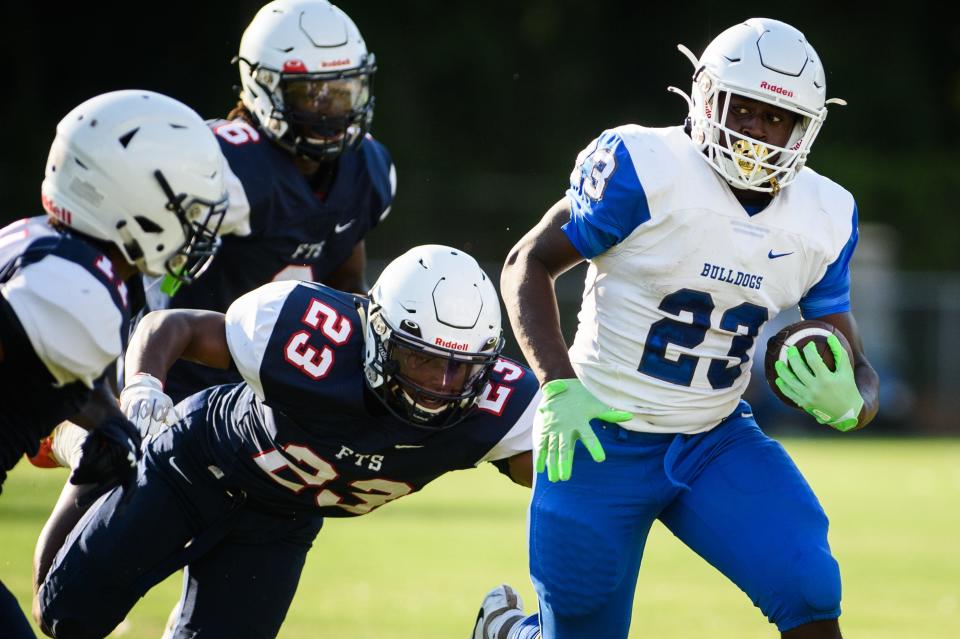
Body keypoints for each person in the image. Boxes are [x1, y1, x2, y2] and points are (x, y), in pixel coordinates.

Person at [475, 18, 879, 639]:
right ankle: (509, 632)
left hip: (713, 438)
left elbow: (851, 357)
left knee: (810, 587)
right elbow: (527, 263)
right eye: (742, 107)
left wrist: (857, 405)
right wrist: (558, 385)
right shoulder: (645, 167)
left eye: (775, 117)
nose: (755, 130)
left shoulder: (823, 215)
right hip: (600, 430)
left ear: (804, 129)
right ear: (705, 97)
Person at [37, 245, 538, 639]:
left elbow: (563, 477)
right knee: (63, 614)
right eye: (422, 360)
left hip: (282, 521)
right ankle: (77, 442)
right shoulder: (305, 330)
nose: (441, 385)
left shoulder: (494, 405)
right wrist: (143, 385)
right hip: (195, 466)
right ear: (379, 334)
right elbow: (176, 325)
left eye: (463, 368)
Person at [0, 90, 227, 638]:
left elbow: (33, 405)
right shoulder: (72, 290)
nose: (196, 225)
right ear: (132, 201)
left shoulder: (44, 246)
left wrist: (104, 431)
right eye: (187, 208)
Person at [149, 0, 396, 404]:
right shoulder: (220, 166)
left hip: (282, 398)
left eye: (343, 92)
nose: (331, 111)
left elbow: (347, 284)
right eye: (311, 94)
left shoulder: (366, 169)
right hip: (185, 387)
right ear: (262, 84)